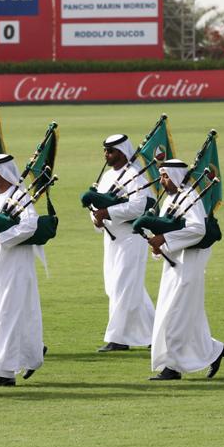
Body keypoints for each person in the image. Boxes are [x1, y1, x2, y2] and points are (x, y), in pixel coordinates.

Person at [145, 159, 224, 381]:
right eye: (161, 176)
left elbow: (198, 229)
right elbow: (165, 228)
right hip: (173, 265)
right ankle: (214, 350)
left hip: (189, 265)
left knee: (174, 316)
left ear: (176, 176)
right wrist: (158, 245)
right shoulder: (170, 200)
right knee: (183, 314)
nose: (162, 181)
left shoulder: (190, 198)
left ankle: (172, 367)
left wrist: (165, 239)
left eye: (166, 176)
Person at [0, 154, 45, 387]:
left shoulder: (19, 196)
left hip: (15, 264)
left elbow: (30, 225)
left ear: (4, 172)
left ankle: (5, 373)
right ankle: (31, 349)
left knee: (6, 315)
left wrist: (0, 238)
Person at [89, 134, 155, 352]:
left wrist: (108, 212)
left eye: (111, 151)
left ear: (122, 152)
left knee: (122, 286)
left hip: (131, 237)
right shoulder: (108, 176)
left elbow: (139, 206)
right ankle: (157, 333)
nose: (106, 155)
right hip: (111, 238)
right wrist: (96, 218)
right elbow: (96, 204)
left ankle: (118, 338)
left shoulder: (135, 176)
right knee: (119, 286)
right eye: (105, 151)